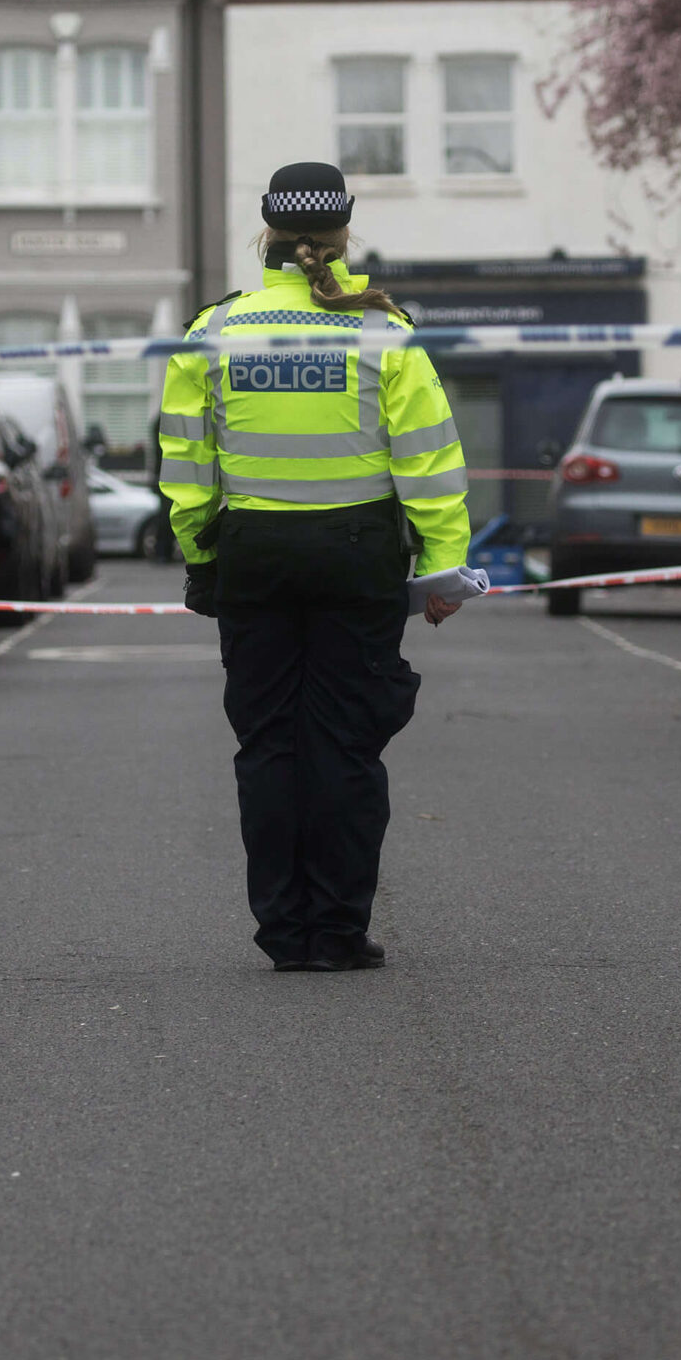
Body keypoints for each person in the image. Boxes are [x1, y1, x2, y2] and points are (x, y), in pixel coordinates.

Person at [158, 162, 472, 972]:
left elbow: (186, 466)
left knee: (267, 747)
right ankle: (336, 929)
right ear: (344, 236)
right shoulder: (384, 332)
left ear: (264, 234)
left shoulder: (214, 331)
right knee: (346, 747)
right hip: (358, 558)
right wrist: (444, 568)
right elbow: (429, 461)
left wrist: (201, 559)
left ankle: (284, 932)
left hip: (254, 557)